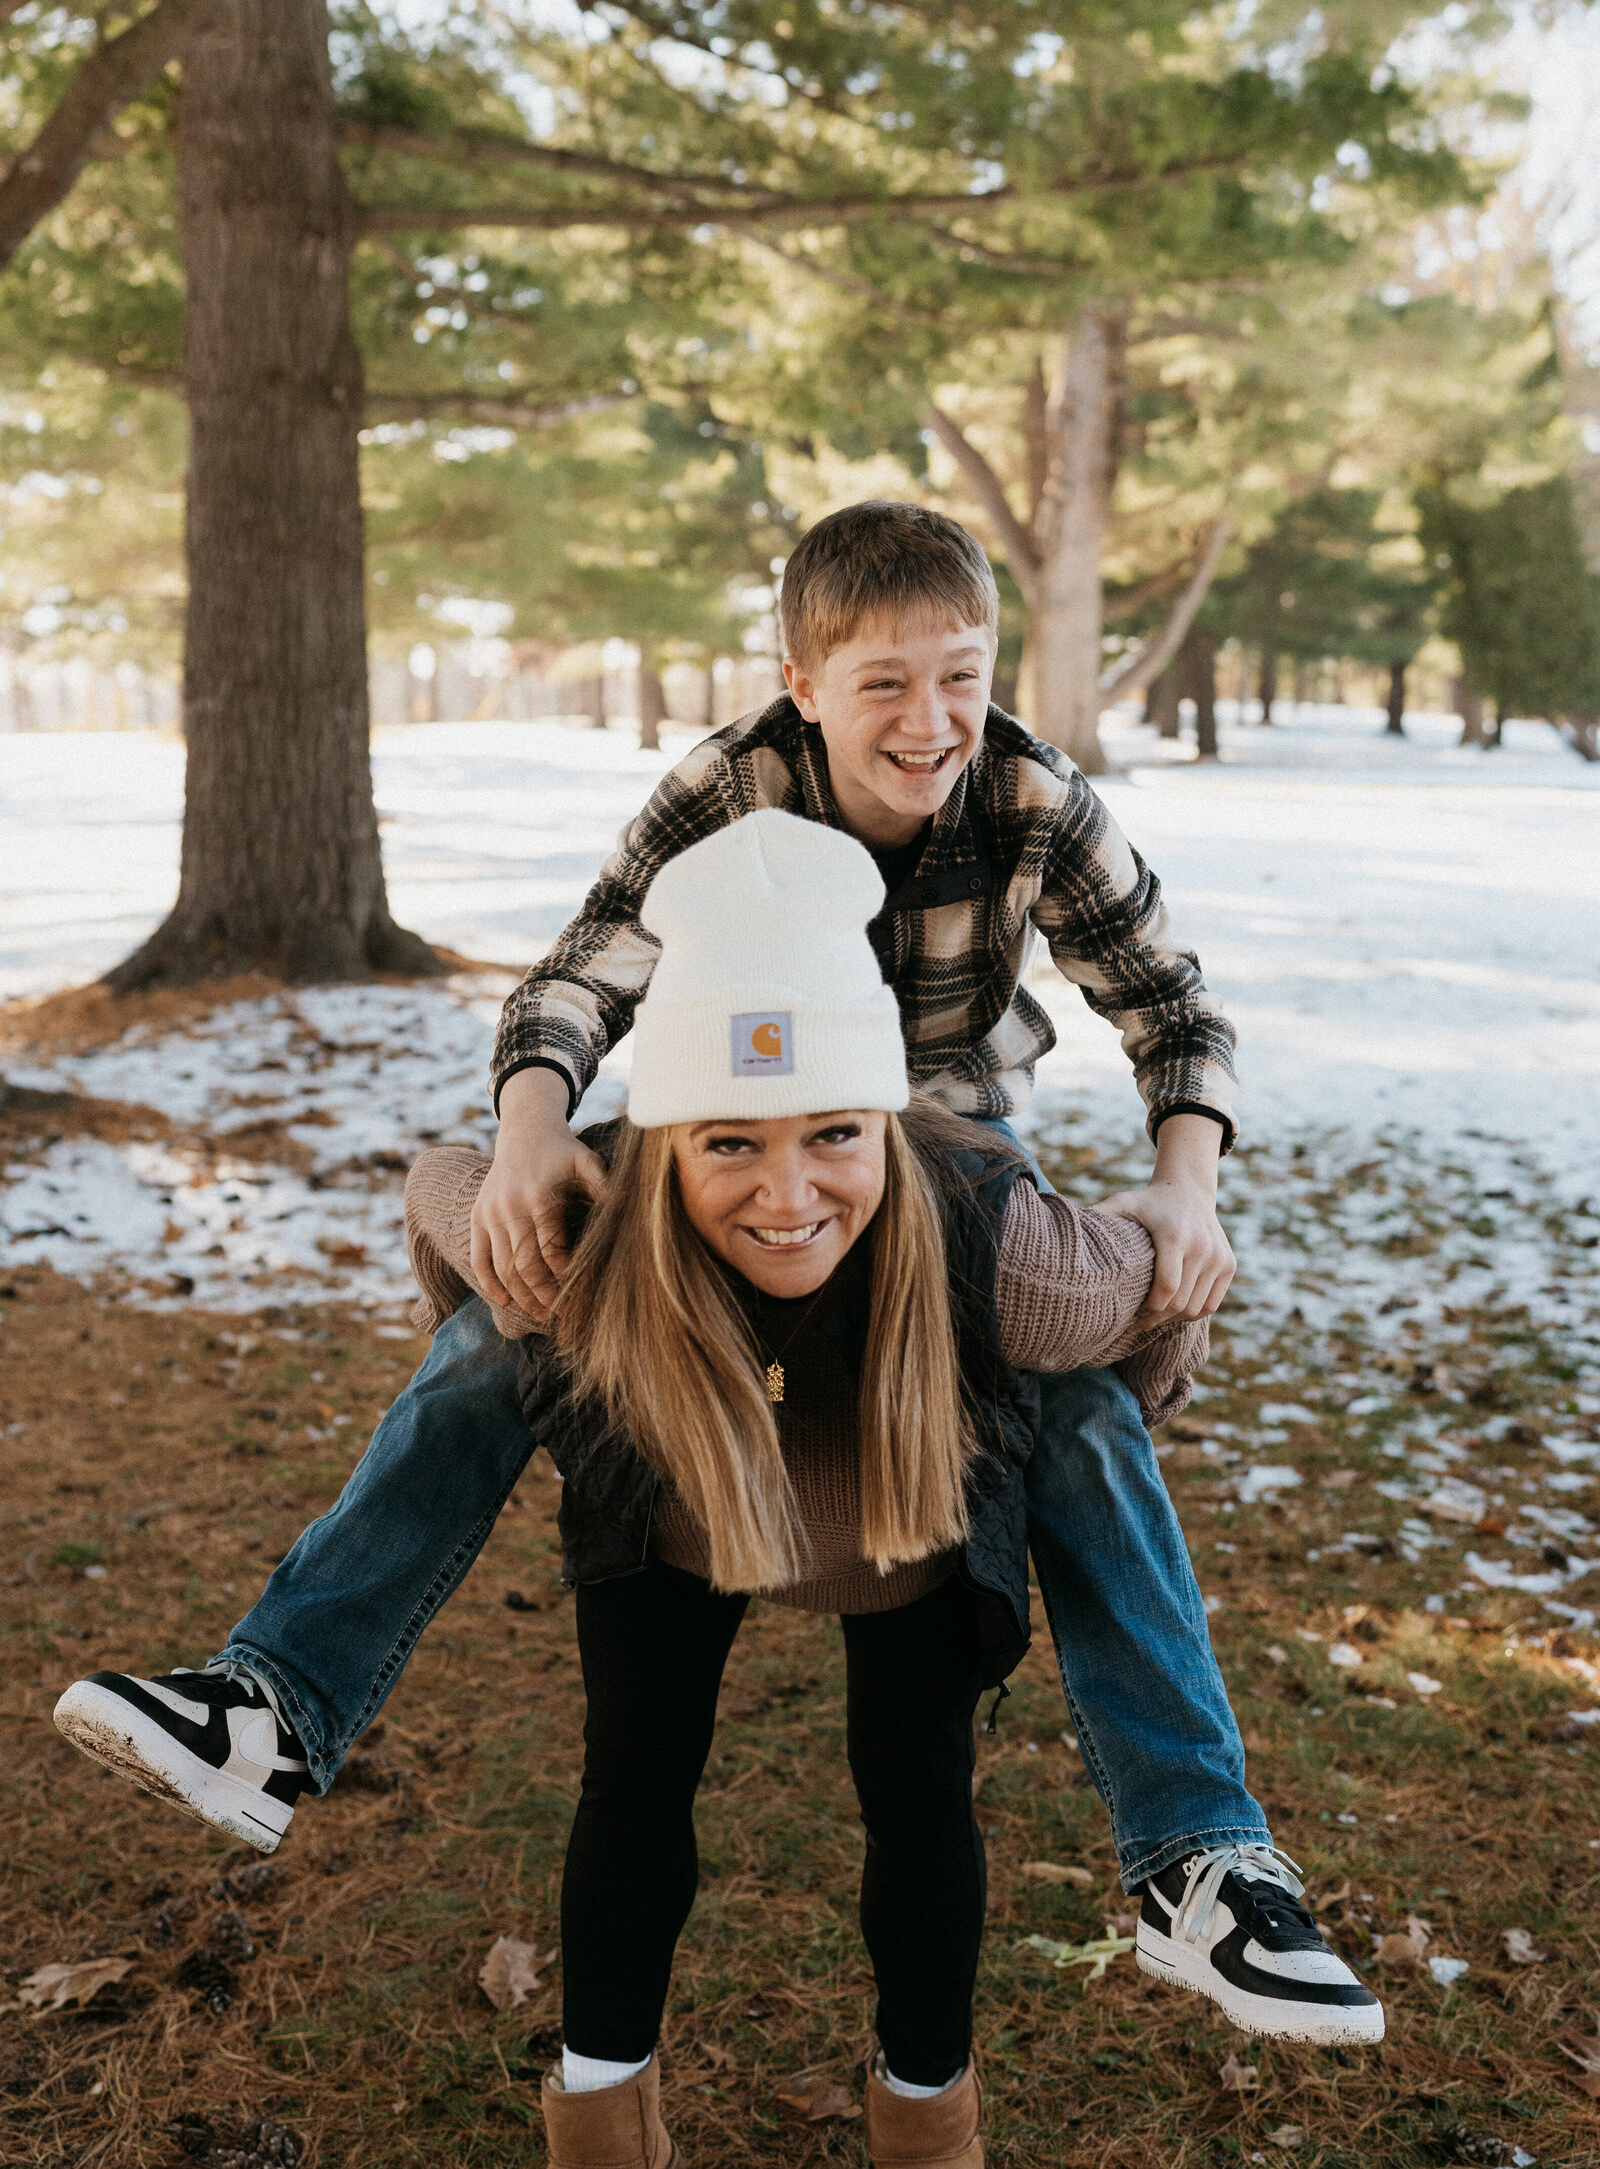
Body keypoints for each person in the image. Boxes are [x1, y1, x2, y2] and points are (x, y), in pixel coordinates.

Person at [54, 501, 1383, 2050]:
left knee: (1078, 1409)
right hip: (719, 1130)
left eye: (960, 674)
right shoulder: (729, 786)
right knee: (507, 1325)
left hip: (937, 1153)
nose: (932, 719)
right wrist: (536, 1126)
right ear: (802, 679)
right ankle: (273, 1706)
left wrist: (1182, 1179)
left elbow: (1170, 1004)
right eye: (884, 682)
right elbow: (579, 974)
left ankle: (1201, 1859)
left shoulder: (1030, 791)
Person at [396, 812, 1294, 2169]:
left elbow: (1150, 1309)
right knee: (635, 1771)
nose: (788, 1191)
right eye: (731, 1144)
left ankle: (927, 2128)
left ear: (887, 1125)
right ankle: (605, 2142)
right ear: (668, 1146)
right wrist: (517, 1165)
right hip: (677, 1476)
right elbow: (448, 1200)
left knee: (917, 1782)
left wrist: (1182, 1220)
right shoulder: (602, 1222)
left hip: (907, 1481)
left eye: (831, 1135)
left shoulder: (1000, 1250)